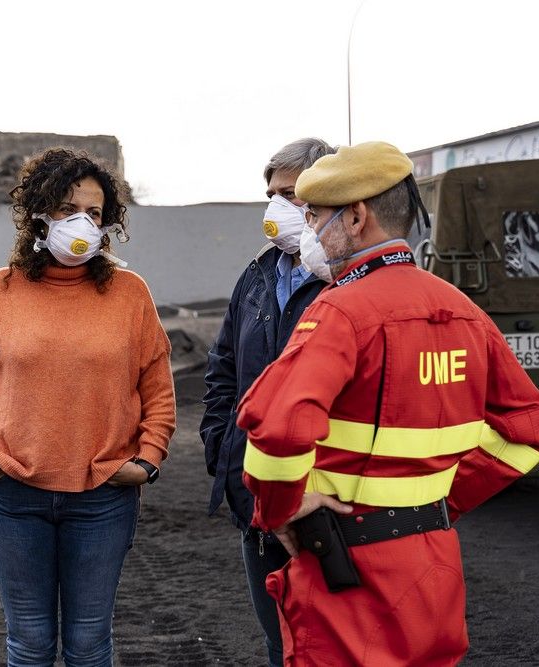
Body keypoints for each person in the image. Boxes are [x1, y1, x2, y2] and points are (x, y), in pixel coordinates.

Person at [237, 141, 539, 665]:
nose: (310, 234)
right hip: (433, 565)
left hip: (348, 573)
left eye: (315, 218)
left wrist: (282, 509)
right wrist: (440, 501)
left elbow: (279, 428)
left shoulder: (339, 311)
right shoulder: (461, 309)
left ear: (357, 217)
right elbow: (529, 426)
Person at [0, 147, 176, 667]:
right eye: (67, 208)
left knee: (89, 642)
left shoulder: (130, 293)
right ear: (38, 213)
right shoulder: (0, 290)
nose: (82, 223)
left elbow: (158, 389)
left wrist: (148, 458)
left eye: (94, 213)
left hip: (102, 499)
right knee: (28, 642)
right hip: (11, 495)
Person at [200, 137, 334, 666]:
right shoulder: (258, 274)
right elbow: (223, 367)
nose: (277, 207)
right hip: (255, 495)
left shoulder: (347, 281)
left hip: (323, 501)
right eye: (272, 193)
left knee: (331, 643)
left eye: (292, 194)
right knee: (280, 645)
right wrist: (223, 449)